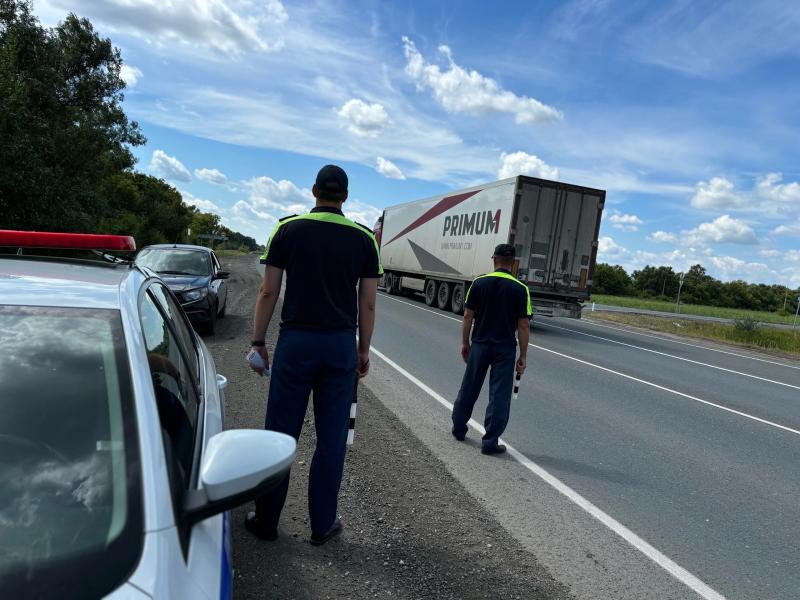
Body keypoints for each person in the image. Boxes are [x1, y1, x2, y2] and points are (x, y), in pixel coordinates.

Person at [245, 164, 382, 545]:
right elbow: (367, 303)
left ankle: (267, 520)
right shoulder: (363, 239)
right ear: (346, 197)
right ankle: (322, 525)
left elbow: (268, 292)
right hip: (339, 346)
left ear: (313, 191)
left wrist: (258, 341)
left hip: (296, 343)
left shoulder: (287, 230)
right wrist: (363, 349)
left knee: (280, 432)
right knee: (332, 438)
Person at [451, 244, 531, 455]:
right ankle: (490, 441)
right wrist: (523, 356)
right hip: (504, 349)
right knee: (499, 395)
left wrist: (465, 343)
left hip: (480, 344)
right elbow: (523, 325)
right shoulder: (521, 289)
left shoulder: (479, 282)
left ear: (493, 259)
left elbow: (468, 315)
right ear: (513, 263)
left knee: (469, 387)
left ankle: (459, 429)